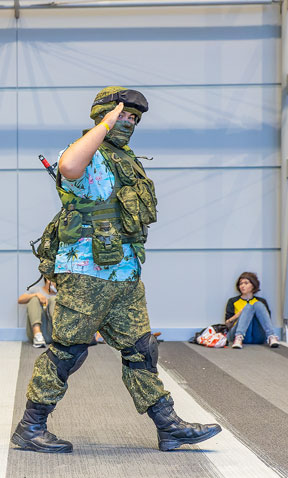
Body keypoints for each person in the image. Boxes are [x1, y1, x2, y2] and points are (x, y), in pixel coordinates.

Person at [11, 87, 221, 453]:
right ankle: (31, 427)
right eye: (124, 114)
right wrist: (105, 124)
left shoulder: (126, 160)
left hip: (124, 274)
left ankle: (168, 426)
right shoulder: (85, 153)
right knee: (67, 351)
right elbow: (69, 167)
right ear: (104, 114)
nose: (130, 122)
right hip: (85, 274)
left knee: (142, 350)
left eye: (135, 119)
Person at [225, 272, 280, 349]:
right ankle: (239, 337)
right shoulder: (233, 301)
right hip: (236, 335)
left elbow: (267, 322)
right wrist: (238, 315)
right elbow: (227, 325)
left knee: (257, 304)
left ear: (253, 285)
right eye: (241, 284)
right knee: (248, 307)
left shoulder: (261, 301)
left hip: (257, 336)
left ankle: (271, 336)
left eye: (246, 283)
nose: (242, 286)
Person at [18, 279, 57, 348]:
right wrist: (36, 294)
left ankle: (59, 336)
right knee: (34, 299)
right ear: (48, 280)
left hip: (53, 333)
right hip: (36, 333)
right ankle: (37, 335)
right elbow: (20, 299)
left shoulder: (61, 293)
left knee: (54, 299)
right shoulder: (36, 290)